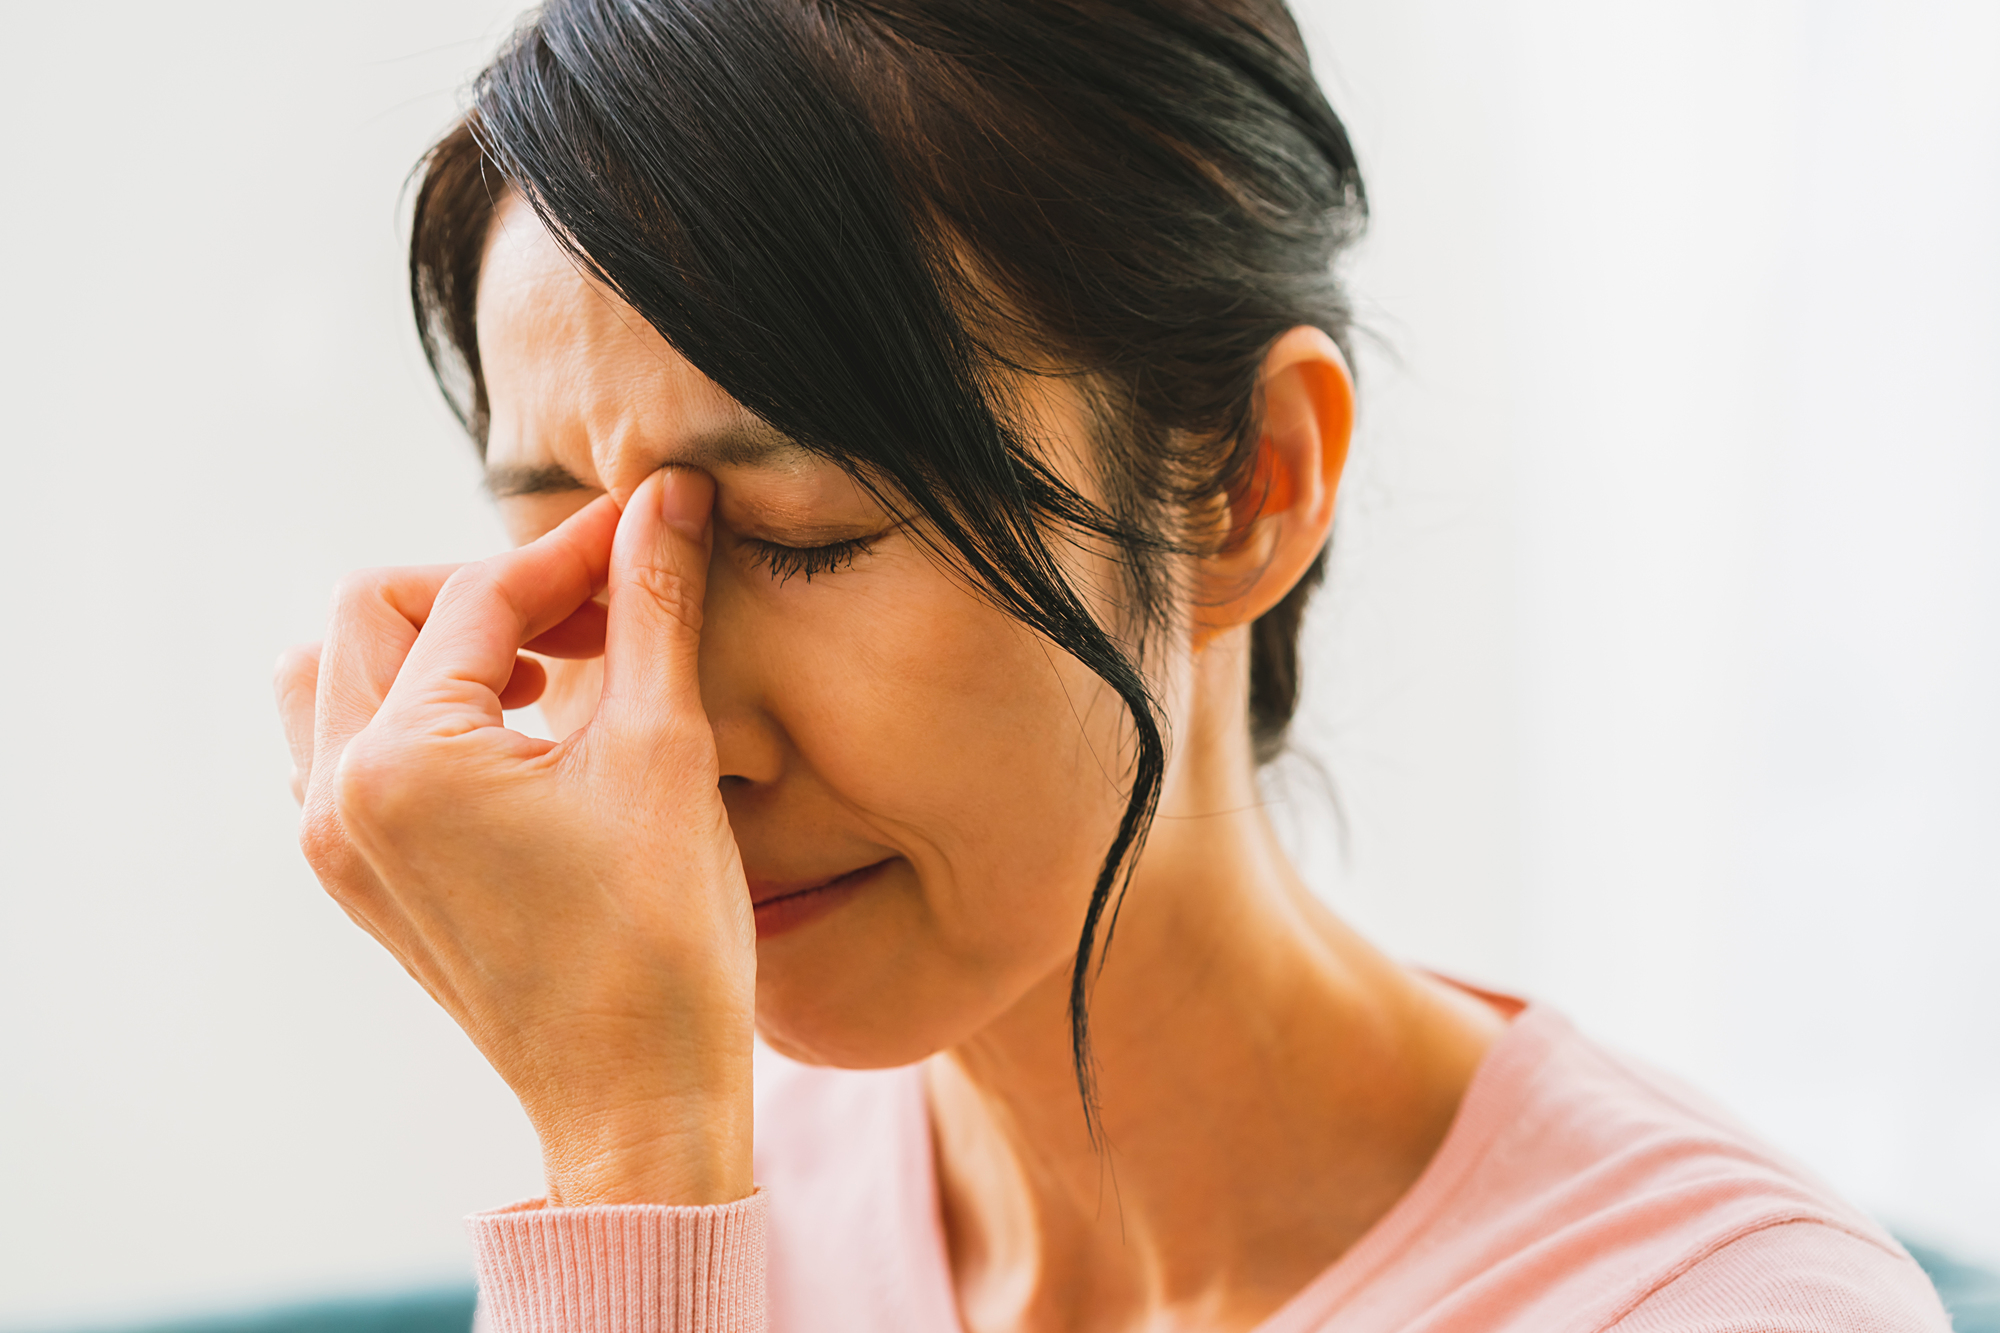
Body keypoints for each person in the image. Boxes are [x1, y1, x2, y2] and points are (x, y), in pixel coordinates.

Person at [273, 2, 1951, 1329]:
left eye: (809, 532)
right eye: (569, 534)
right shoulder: (691, 1199)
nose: (668, 732)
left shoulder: (1719, 1310)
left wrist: (637, 1183)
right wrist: (639, 1185)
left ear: (1248, 485)